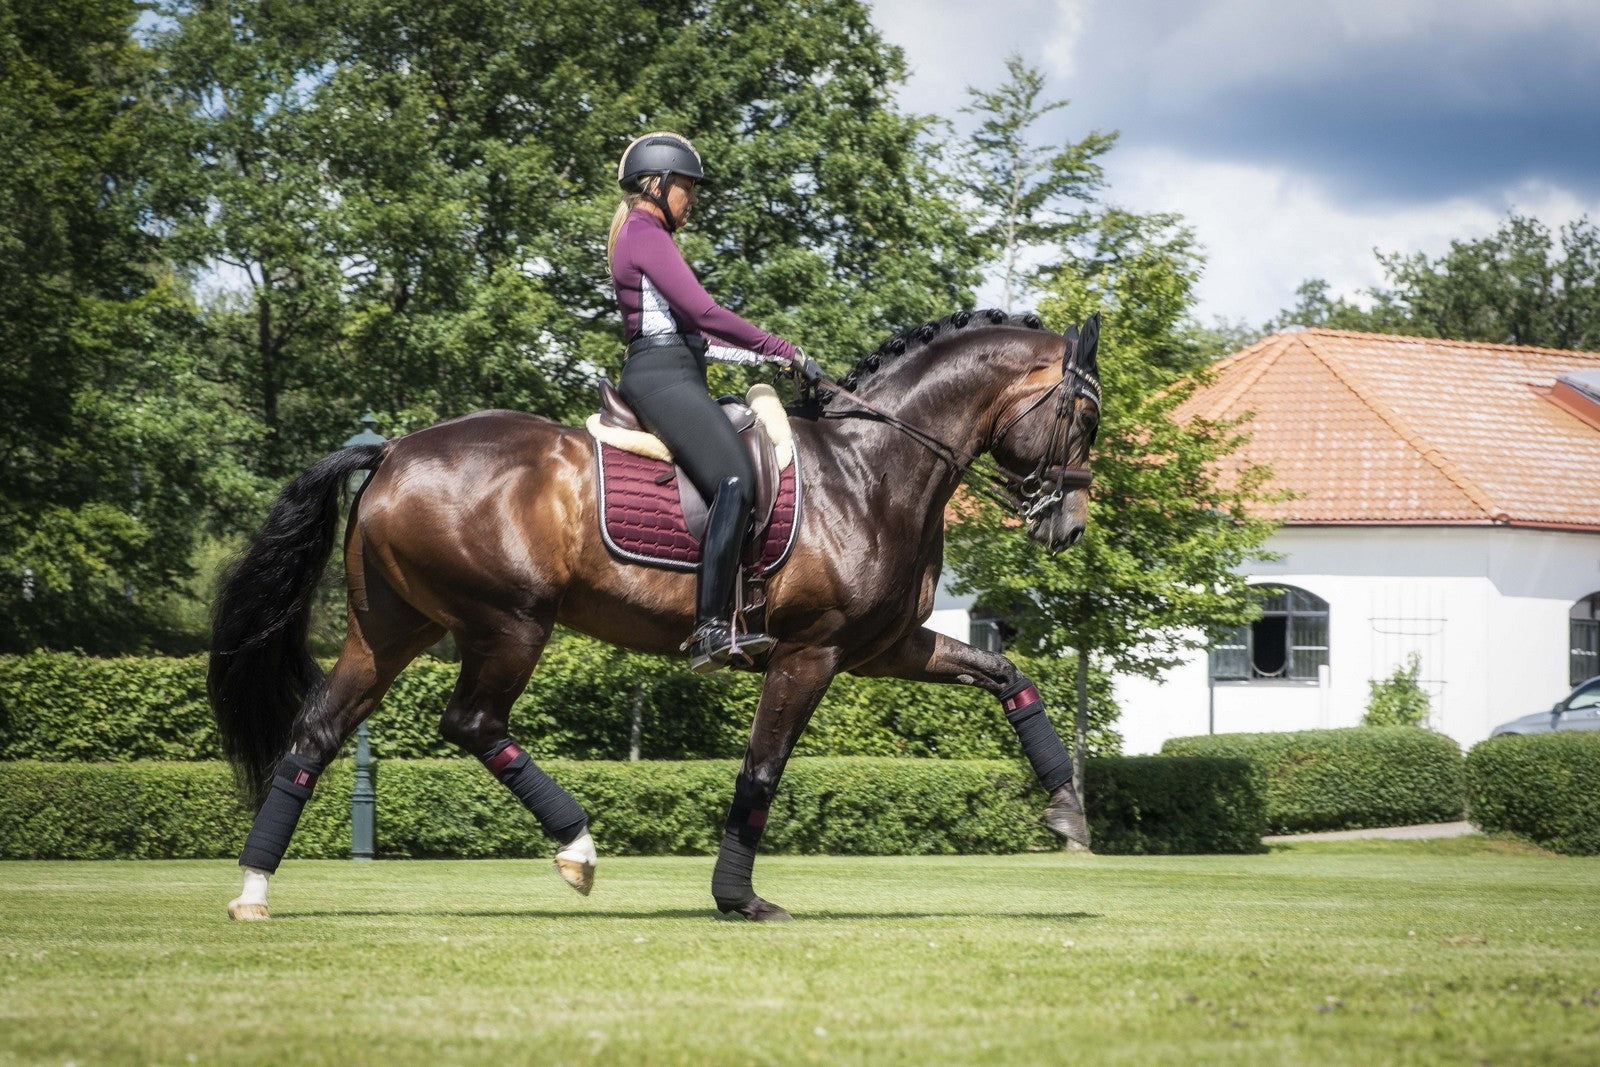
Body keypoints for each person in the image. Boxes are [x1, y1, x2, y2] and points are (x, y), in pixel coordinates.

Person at [608, 131, 820, 673]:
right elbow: (704, 313)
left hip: (676, 369)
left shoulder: (646, 233)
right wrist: (780, 345)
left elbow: (703, 340)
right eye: (687, 187)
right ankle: (708, 627)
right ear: (656, 184)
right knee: (735, 479)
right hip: (661, 377)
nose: (693, 199)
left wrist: (774, 361)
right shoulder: (644, 231)